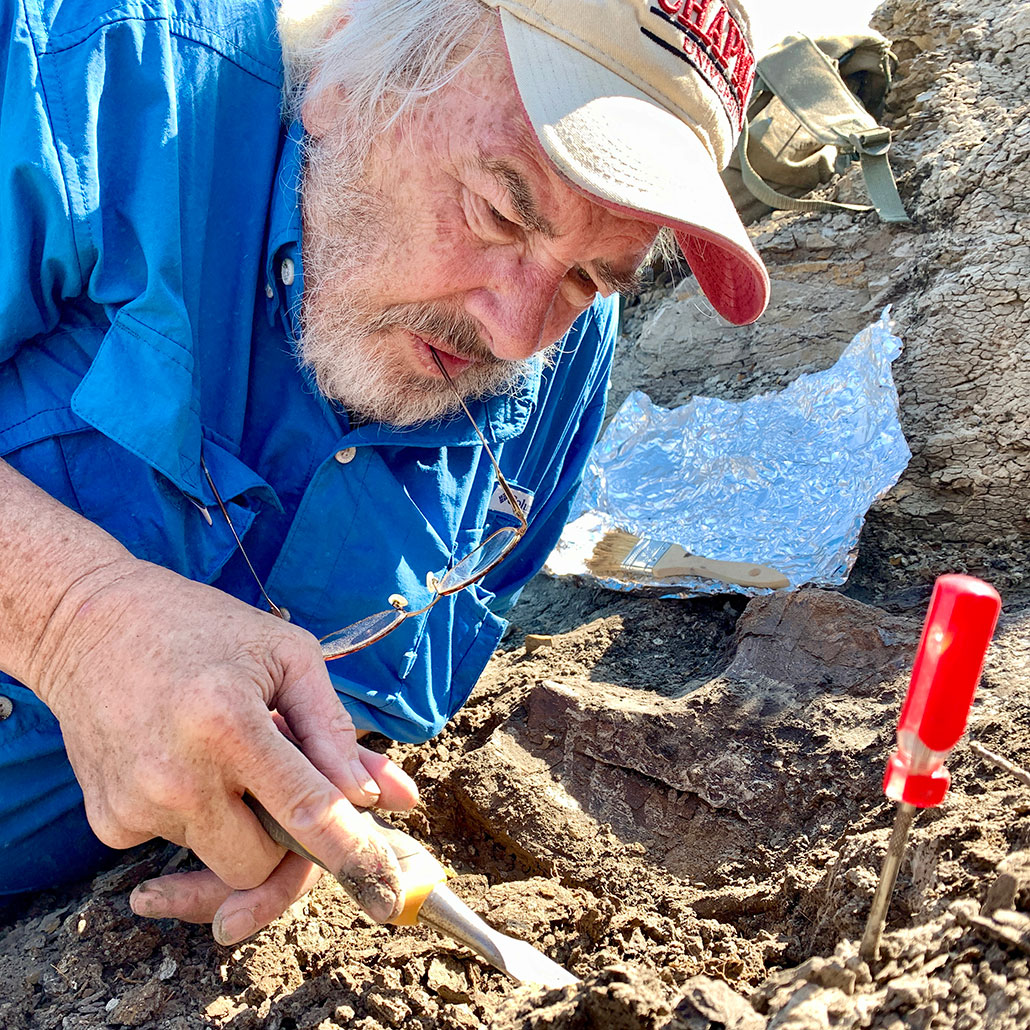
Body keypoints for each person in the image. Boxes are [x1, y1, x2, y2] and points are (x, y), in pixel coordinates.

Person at [0, 0, 769, 943]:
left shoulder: (560, 360)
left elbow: (382, 681)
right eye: (499, 212)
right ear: (346, 60)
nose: (516, 333)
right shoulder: (85, 76)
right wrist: (74, 619)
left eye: (588, 279)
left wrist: (288, 790)